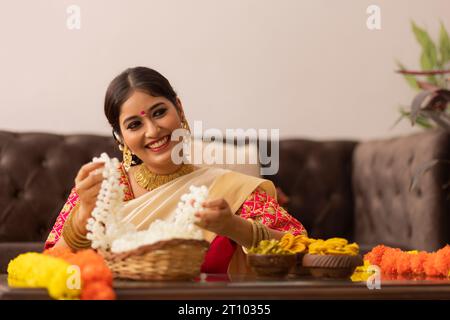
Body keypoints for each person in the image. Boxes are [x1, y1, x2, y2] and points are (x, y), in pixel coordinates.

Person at [44, 66, 306, 274]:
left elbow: (301, 250)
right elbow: (47, 267)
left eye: (159, 112)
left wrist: (233, 226)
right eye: (134, 125)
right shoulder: (102, 191)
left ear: (179, 109)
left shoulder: (226, 190)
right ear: (121, 138)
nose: (153, 130)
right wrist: (82, 219)